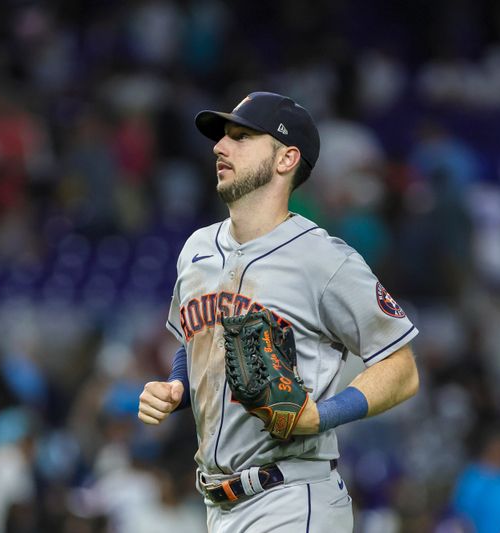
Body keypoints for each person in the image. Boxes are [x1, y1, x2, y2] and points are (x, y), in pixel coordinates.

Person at [137, 91, 420, 532]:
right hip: (219, 507)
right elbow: (196, 343)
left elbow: (402, 370)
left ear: (286, 158)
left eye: (242, 137)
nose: (220, 147)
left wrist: (319, 416)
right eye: (223, 137)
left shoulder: (324, 260)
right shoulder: (196, 248)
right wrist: (177, 386)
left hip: (292, 498)